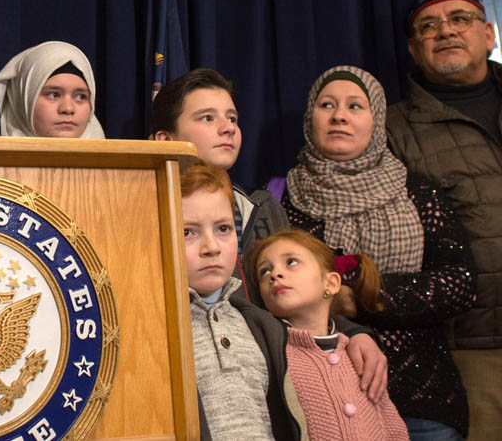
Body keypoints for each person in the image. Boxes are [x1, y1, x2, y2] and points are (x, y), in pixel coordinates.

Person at [281, 65, 474, 439]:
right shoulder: (285, 201)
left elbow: (458, 284)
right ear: (310, 119)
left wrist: (361, 299)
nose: (339, 115)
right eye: (327, 105)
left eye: (355, 106)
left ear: (377, 120)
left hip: (421, 397)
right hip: (326, 402)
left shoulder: (417, 192)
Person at [180, 163, 386, 441]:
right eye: (187, 233)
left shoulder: (263, 328)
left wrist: (354, 332)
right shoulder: (157, 327)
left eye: (224, 228)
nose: (212, 247)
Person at [386, 0, 502, 440]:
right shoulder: (390, 130)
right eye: (428, 27)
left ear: (488, 32)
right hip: (473, 354)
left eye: (460, 18)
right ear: (414, 50)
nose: (446, 31)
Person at [250, 229, 409, 440]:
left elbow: (390, 424)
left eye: (291, 262)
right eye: (264, 271)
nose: (274, 274)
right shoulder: (272, 355)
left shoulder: (356, 353)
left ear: (331, 283)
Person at [152, 68, 288, 260]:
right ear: (166, 139)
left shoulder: (266, 207)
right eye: (208, 118)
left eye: (232, 118)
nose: (229, 128)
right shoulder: (146, 208)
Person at [0, 40, 105, 138]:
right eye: (54, 95)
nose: (68, 109)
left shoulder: (107, 159)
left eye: (81, 96)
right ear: (24, 99)